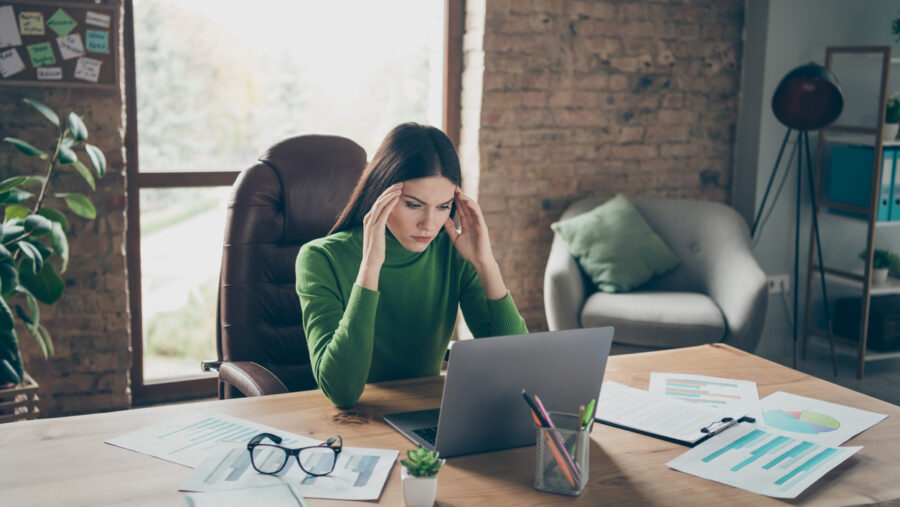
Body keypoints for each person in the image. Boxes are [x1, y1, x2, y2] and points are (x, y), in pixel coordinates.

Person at [295, 123, 527, 408]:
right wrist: (371, 266)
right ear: (381, 194)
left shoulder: (452, 252)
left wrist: (485, 262)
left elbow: (517, 369)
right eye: (414, 205)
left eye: (443, 207)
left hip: (428, 415)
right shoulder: (320, 258)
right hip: (356, 424)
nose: (429, 224)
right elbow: (343, 392)